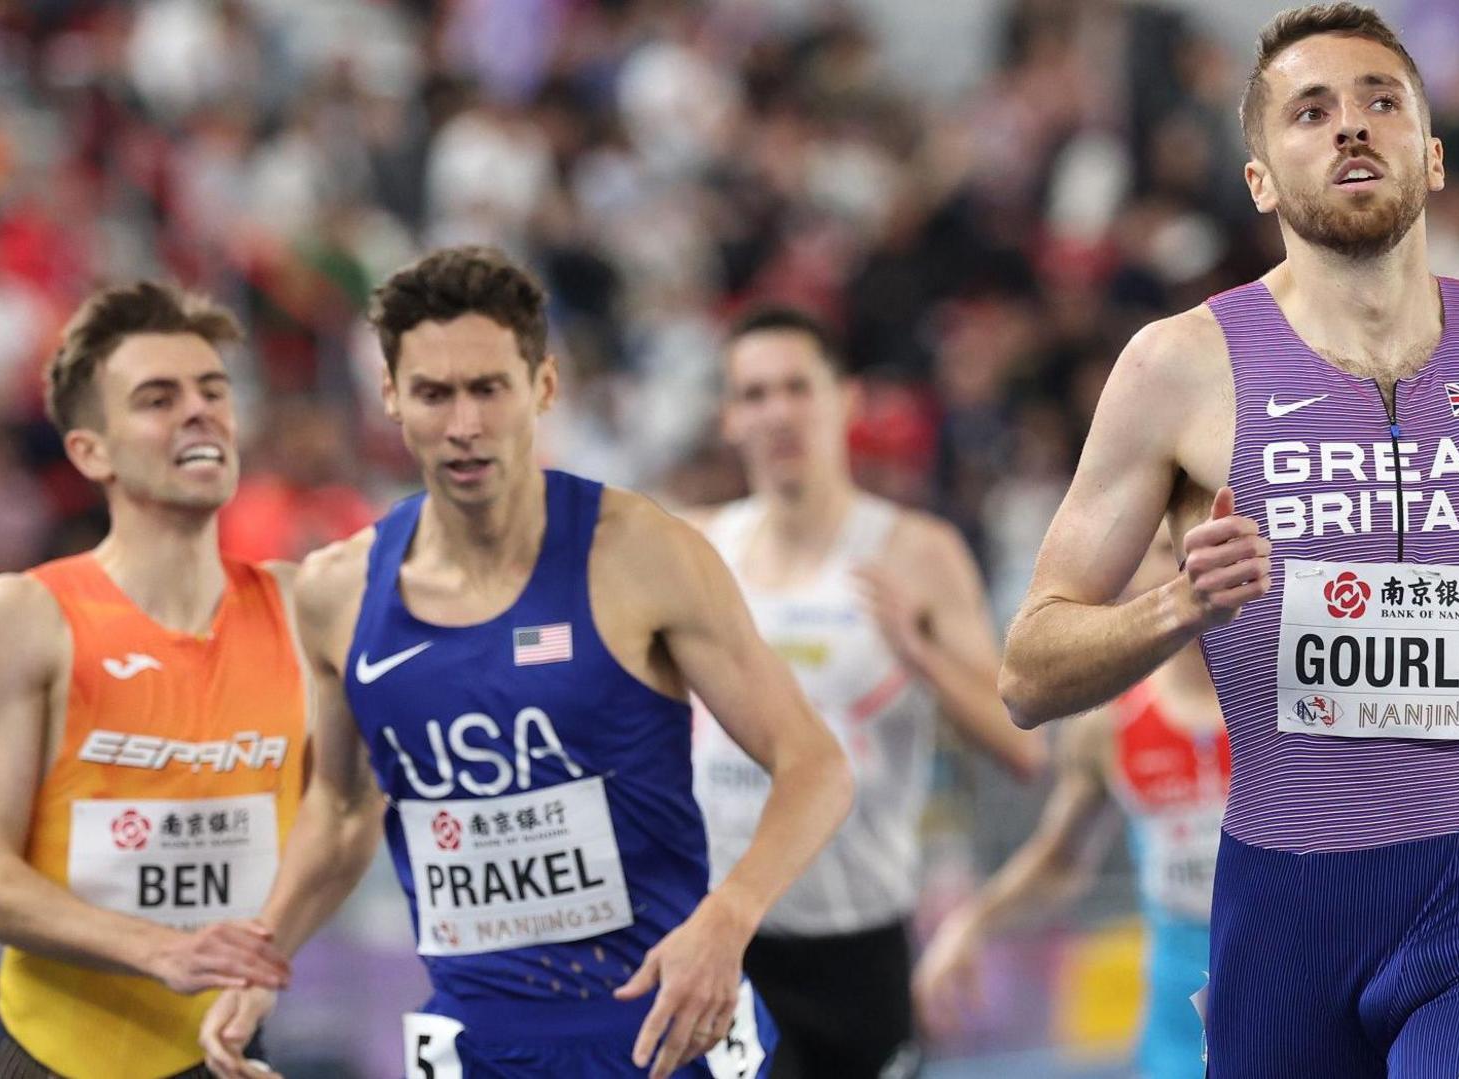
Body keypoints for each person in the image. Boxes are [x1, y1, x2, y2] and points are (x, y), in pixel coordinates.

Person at [997, 5, 1459, 1077]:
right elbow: (1027, 670)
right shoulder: (1177, 369)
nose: (1351, 127)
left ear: (1431, 157)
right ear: (1261, 178)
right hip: (1283, 915)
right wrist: (1179, 608)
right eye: (1311, 111)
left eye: (1380, 102)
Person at [196, 246, 853, 1079]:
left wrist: (730, 918)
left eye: (488, 388)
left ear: (542, 386)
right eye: (434, 393)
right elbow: (340, 806)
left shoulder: (639, 553)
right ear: (391, 395)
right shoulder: (338, 593)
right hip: (476, 1047)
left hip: (664, 1034)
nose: (463, 424)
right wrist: (265, 955)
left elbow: (815, 764)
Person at [0, 282, 305, 1078]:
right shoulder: (22, 616)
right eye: (158, 398)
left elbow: (344, 814)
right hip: (45, 1056)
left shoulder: (303, 612)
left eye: (213, 391)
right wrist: (163, 950)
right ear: (90, 451)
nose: (200, 412)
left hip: (224, 1054)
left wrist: (270, 953)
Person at [683, 307, 1044, 1079]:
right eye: (754, 394)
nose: (778, 412)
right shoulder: (695, 548)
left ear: (843, 400)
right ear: (728, 418)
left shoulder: (917, 552)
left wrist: (920, 653)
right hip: (728, 936)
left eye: (796, 388)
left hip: (861, 945)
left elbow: (1021, 745)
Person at [915, 531, 1223, 1079]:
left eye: (1197, 544)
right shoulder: (1110, 726)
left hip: (1299, 1006)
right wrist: (970, 924)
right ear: (1128, 573)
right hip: (1178, 1037)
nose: (1184, 566)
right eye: (1158, 550)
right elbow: (1060, 862)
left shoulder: (1299, 708)